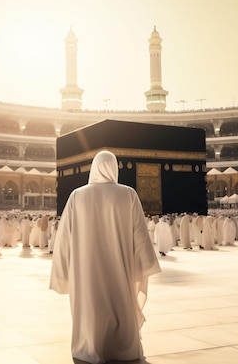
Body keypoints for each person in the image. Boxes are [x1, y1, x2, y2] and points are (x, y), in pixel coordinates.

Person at [50, 150, 161, 364]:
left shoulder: (77, 196)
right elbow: (140, 237)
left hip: (87, 274)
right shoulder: (128, 194)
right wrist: (145, 263)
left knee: (91, 312)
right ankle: (122, 346)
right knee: (120, 306)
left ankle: (90, 345)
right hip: (119, 271)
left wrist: (62, 273)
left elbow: (64, 240)